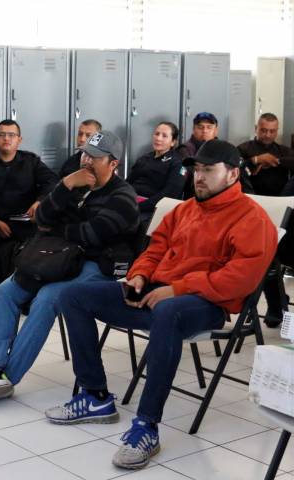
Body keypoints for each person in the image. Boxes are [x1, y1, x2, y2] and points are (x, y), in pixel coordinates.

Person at [49, 140, 277, 470]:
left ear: (232, 175)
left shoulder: (252, 219)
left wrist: (178, 289)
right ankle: (95, 396)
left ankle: (147, 426)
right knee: (73, 296)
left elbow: (240, 279)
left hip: (206, 303)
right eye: (196, 170)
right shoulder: (185, 210)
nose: (199, 177)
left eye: (208, 170)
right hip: (157, 293)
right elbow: (154, 250)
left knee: (167, 312)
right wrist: (139, 276)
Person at [0, 131, 139, 401]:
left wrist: (58, 230)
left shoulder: (122, 197)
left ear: (113, 164)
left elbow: (92, 235)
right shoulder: (76, 185)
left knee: (47, 298)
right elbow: (42, 218)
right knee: (5, 292)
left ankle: (5, 379)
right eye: (85, 154)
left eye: (95, 158)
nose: (87, 161)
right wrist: (65, 185)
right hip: (62, 258)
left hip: (99, 264)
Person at [0, 119, 59, 318]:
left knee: (31, 250)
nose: (6, 139)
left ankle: (25, 298)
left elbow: (52, 182)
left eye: (11, 135)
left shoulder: (31, 162)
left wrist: (39, 201)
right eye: (2, 135)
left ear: (19, 139)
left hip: (24, 221)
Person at [237, 112, 294, 327]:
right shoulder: (245, 149)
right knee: (266, 254)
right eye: (263, 130)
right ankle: (275, 303)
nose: (268, 135)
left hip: (281, 211)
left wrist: (275, 161)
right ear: (256, 128)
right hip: (251, 210)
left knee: (273, 253)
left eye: (272, 131)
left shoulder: (283, 151)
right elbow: (234, 164)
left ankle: (276, 303)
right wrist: (255, 160)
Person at [126, 122, 186, 223]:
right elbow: (127, 183)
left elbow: (169, 194)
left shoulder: (177, 163)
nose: (158, 138)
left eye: (164, 136)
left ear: (173, 142)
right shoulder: (144, 158)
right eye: (157, 134)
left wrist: (138, 206)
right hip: (131, 203)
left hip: (152, 210)